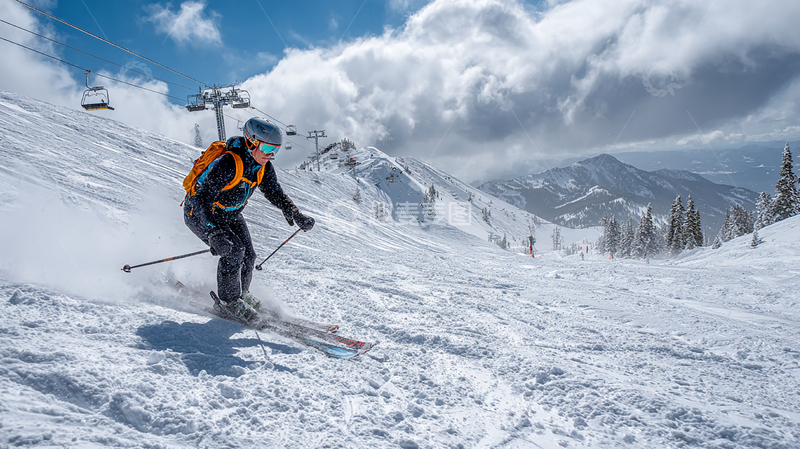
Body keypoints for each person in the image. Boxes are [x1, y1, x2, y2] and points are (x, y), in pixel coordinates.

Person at [183, 118, 314, 321]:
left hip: (230, 213)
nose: (271, 154)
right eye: (268, 147)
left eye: (275, 150)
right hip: (200, 212)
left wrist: (295, 214)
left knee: (249, 255)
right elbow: (201, 199)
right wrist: (213, 232)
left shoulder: (264, 167)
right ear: (252, 142)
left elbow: (274, 192)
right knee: (234, 251)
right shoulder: (228, 163)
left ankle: (242, 295)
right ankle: (228, 303)